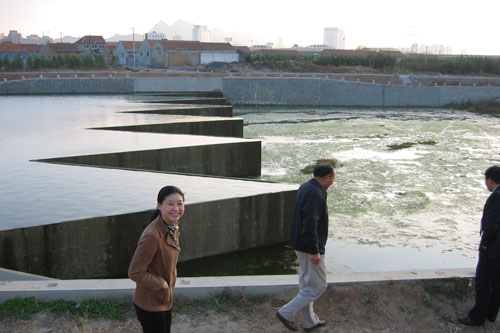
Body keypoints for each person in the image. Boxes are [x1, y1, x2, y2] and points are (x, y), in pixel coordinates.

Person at [276, 163, 335, 332]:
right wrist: (315, 251)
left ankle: (309, 322)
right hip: (309, 247)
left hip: (300, 244)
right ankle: (285, 313)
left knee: (307, 285)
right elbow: (310, 224)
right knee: (318, 286)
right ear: (327, 177)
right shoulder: (316, 193)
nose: (332, 182)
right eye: (333, 178)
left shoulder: (306, 187)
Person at [129, 185, 185, 333]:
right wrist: (162, 284)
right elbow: (135, 272)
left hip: (163, 299)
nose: (176, 208)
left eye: (180, 203)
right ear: (159, 206)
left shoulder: (172, 227)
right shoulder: (152, 236)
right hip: (150, 303)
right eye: (170, 204)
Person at [459, 165, 500, 326]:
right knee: (496, 283)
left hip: (492, 250)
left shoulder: (496, 197)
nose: (485, 184)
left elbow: (491, 225)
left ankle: (477, 317)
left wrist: (484, 244)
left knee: (484, 283)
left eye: (485, 180)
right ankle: (491, 314)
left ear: (490, 180)